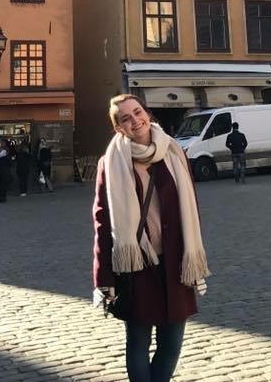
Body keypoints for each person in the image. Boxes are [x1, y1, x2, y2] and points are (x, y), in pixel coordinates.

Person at [93, 94, 210, 382]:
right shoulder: (111, 163)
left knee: (171, 344)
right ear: (118, 127)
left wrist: (193, 254)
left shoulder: (173, 152)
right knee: (138, 342)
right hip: (137, 265)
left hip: (175, 262)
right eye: (125, 118)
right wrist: (103, 277)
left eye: (137, 112)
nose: (135, 120)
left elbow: (191, 205)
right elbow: (102, 220)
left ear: (147, 113)